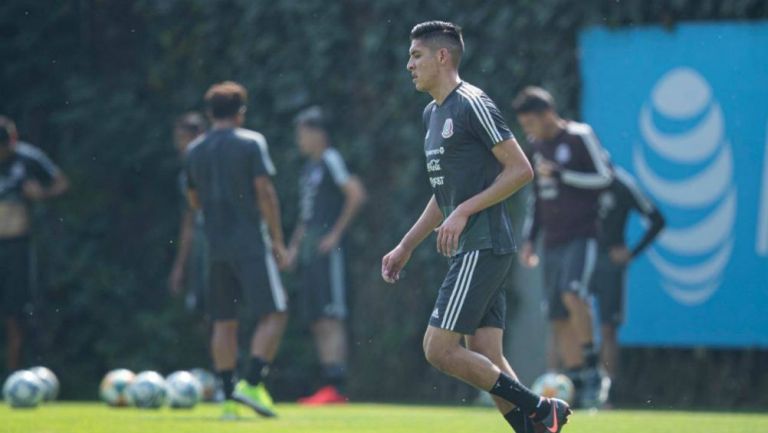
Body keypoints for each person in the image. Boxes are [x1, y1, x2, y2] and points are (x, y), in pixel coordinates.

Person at [381, 22, 571, 433]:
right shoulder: (432, 112)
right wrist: (406, 245)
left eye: (416, 55)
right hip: (476, 244)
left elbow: (521, 170)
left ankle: (541, 406)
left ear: (442, 56)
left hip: (484, 244)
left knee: (438, 349)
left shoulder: (472, 102)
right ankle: (536, 427)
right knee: (485, 352)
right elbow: (443, 194)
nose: (408, 64)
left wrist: (464, 210)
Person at [185, 82, 289, 419]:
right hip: (249, 242)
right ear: (240, 112)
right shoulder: (251, 143)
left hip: (213, 246)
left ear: (209, 113)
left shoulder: (194, 150)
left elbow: (193, 199)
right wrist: (277, 239)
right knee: (274, 313)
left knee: (223, 322)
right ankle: (252, 382)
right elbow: (265, 192)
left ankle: (228, 399)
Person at [513, 86, 612, 407]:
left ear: (547, 114)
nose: (527, 130)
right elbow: (537, 199)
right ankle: (578, 378)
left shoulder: (579, 136)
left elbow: (604, 177)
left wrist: (564, 175)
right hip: (552, 240)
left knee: (573, 293)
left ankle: (593, 366)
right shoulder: (536, 146)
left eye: (530, 122)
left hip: (581, 235)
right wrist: (529, 239)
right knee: (556, 315)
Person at [284, 106, 366, 405]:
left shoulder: (331, 159)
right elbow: (305, 217)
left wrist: (335, 235)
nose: (299, 140)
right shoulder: (309, 169)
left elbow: (356, 193)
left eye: (303, 133)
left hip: (327, 252)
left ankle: (337, 387)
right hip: (309, 253)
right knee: (318, 318)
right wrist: (293, 249)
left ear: (319, 134)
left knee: (331, 317)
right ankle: (328, 385)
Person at [0, 115, 69, 372]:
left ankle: (13, 377)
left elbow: (61, 183)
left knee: (15, 316)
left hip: (17, 245)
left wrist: (42, 194)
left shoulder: (28, 158)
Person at [592, 165, 664, 402]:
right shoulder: (574, 179)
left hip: (608, 263)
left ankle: (605, 394)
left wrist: (632, 253)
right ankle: (568, 386)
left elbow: (657, 220)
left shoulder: (621, 184)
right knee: (564, 321)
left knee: (607, 328)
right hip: (578, 255)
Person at [169, 112, 208, 312]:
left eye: (182, 139)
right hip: (200, 247)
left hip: (221, 244)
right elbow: (188, 223)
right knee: (201, 310)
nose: (179, 146)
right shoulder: (185, 177)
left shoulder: (216, 167)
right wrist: (180, 266)